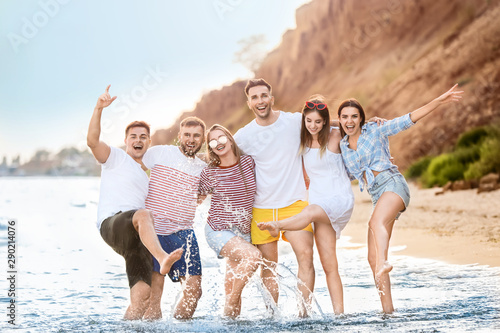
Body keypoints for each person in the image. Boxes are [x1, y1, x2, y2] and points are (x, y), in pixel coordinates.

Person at [337, 84, 463, 313]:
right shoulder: (343, 146)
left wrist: (439, 100)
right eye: (344, 117)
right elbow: (321, 130)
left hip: (393, 185)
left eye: (354, 116)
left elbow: (408, 119)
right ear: (339, 119)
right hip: (378, 196)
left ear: (362, 118)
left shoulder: (375, 130)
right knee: (371, 258)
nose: (349, 121)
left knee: (374, 224)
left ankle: (385, 262)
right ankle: (388, 312)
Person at [87, 85, 183, 320]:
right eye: (133, 137)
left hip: (135, 237)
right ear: (126, 141)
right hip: (112, 223)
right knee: (142, 214)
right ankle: (161, 258)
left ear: (148, 142)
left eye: (143, 137)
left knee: (143, 297)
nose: (138, 141)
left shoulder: (146, 176)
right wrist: (99, 108)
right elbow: (92, 141)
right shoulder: (115, 158)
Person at [258, 95, 354, 314]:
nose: (313, 126)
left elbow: (357, 130)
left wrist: (375, 121)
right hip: (320, 202)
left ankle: (278, 225)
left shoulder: (336, 135)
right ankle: (337, 315)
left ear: (325, 122)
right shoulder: (302, 141)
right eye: (309, 121)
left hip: (339, 199)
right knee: (330, 265)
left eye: (318, 122)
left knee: (308, 212)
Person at [234, 78, 315, 315]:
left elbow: (323, 125)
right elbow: (219, 159)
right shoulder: (243, 136)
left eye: (264, 95)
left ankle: (304, 315)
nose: (260, 101)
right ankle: (273, 317)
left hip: (295, 204)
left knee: (306, 257)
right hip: (261, 208)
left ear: (271, 98)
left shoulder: (294, 122)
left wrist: (363, 124)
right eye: (255, 97)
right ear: (249, 102)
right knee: (269, 268)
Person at [142, 117, 207, 320]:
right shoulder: (160, 153)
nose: (191, 139)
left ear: (202, 139)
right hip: (153, 232)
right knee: (153, 298)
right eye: (187, 134)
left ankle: (179, 327)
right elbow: (132, 167)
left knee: (194, 291)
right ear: (179, 136)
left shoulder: (203, 167)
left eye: (196, 135)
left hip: (183, 233)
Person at [198, 124, 262, 318]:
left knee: (232, 303)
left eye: (222, 138)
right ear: (210, 147)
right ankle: (233, 299)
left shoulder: (249, 162)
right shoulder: (209, 173)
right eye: (213, 141)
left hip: (243, 232)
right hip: (218, 230)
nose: (219, 143)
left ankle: (229, 318)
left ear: (230, 138)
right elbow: (194, 198)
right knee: (253, 257)